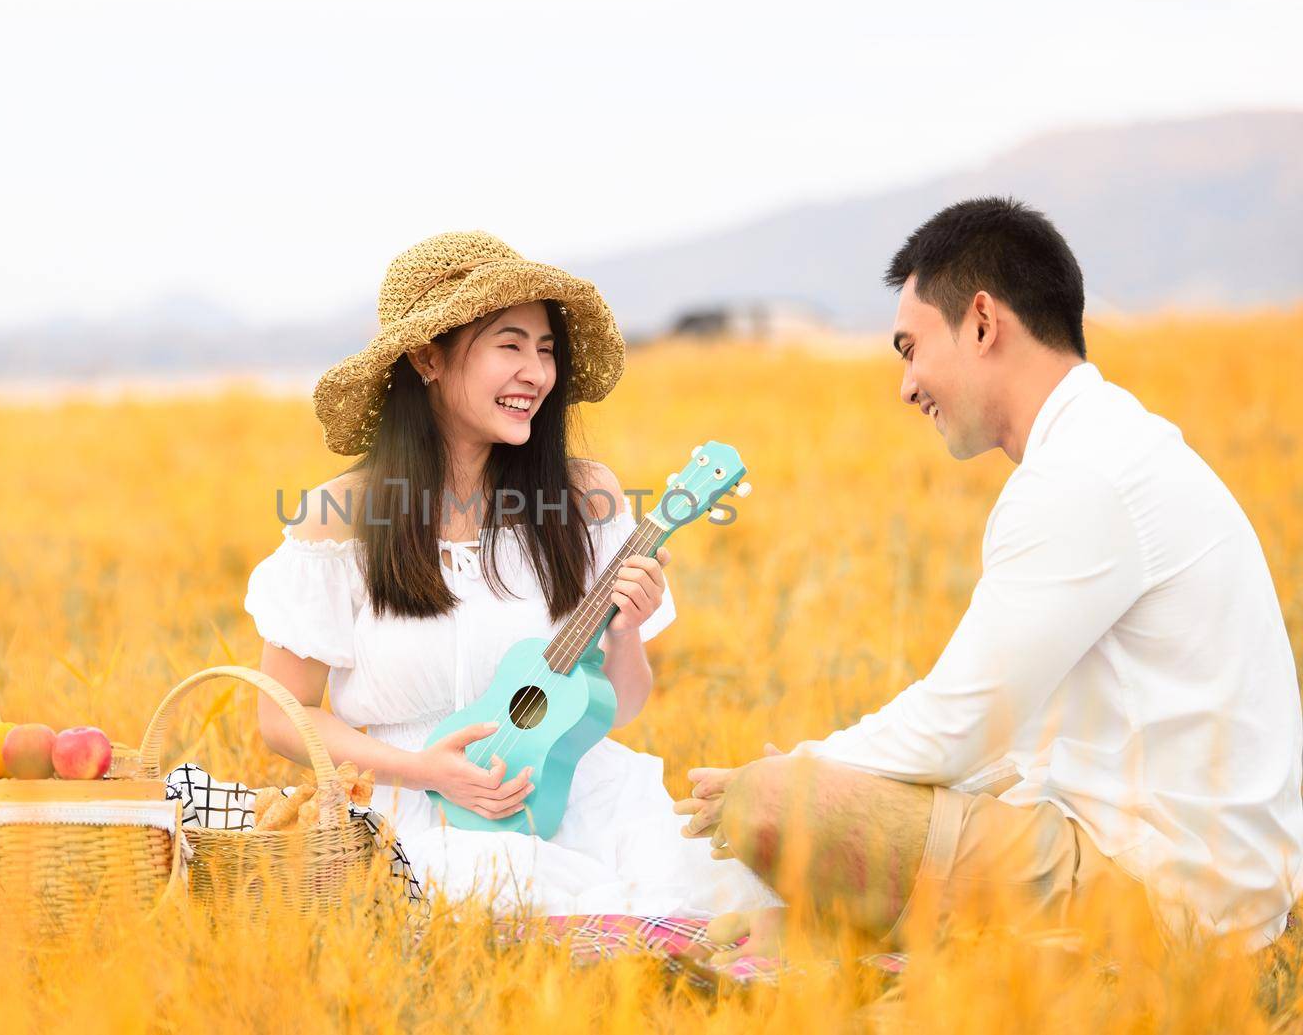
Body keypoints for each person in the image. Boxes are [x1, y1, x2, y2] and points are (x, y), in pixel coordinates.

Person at [679, 197, 1303, 958]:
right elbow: (1008, 743)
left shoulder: (1082, 475)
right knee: (823, 802)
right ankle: (848, 937)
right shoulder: (1111, 445)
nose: (908, 385)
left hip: (1170, 896)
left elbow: (955, 728)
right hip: (1206, 881)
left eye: (911, 348)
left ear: (981, 322)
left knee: (776, 803)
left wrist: (784, 773)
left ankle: (869, 940)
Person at [244, 230, 778, 917]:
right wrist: (423, 769)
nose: (537, 372)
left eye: (546, 348)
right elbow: (280, 717)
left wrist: (626, 633)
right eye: (510, 345)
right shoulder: (339, 516)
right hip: (411, 810)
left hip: (571, 797)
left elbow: (619, 704)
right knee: (499, 901)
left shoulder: (584, 498)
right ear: (427, 356)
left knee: (715, 903)